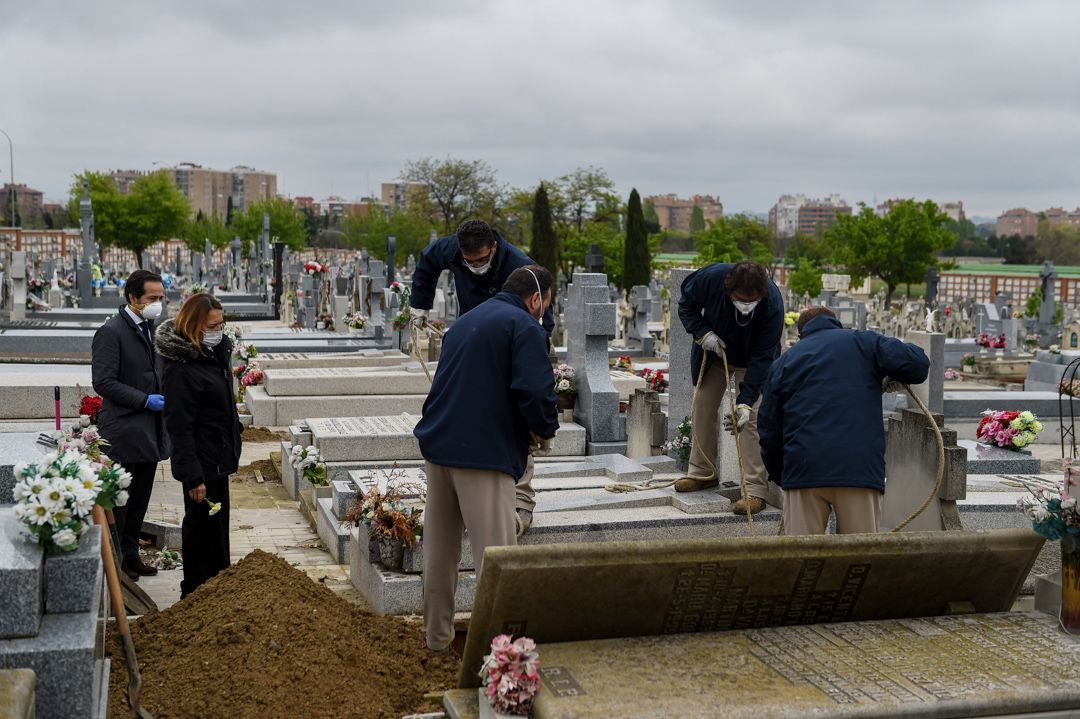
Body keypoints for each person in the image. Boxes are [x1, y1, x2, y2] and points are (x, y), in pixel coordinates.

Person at [414, 265, 559, 653]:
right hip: (483, 454)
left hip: (440, 447)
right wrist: (545, 429)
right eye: (546, 304)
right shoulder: (526, 326)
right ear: (535, 299)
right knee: (497, 559)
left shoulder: (465, 322)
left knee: (440, 552)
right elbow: (535, 391)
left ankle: (437, 642)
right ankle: (505, 657)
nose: (545, 312)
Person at [409, 219, 554, 534]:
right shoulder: (451, 249)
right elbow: (427, 262)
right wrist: (419, 304)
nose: (475, 266)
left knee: (515, 418)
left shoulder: (520, 267)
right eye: (469, 261)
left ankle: (520, 502)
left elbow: (542, 312)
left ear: (495, 249)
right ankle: (467, 497)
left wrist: (536, 351)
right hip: (468, 336)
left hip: (509, 345)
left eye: (482, 260)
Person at [757, 307, 930, 535]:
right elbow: (919, 364)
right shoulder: (865, 342)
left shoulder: (785, 361)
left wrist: (783, 476)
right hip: (858, 469)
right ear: (836, 323)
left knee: (803, 562)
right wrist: (891, 374)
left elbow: (769, 428)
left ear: (800, 335)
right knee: (860, 559)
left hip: (803, 468)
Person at [675, 260, 784, 515]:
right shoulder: (709, 279)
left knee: (750, 419)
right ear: (728, 290)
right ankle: (703, 473)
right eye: (740, 300)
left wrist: (745, 401)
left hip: (752, 361)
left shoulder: (772, 303)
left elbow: (763, 355)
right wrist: (703, 334)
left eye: (752, 301)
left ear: (761, 295)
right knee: (703, 406)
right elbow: (686, 305)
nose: (746, 307)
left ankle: (755, 491)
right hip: (716, 350)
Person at [154, 293, 243, 598]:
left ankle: (217, 588)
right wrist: (193, 475)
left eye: (221, 323)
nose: (220, 329)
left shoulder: (212, 354)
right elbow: (179, 427)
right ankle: (194, 592)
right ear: (194, 325)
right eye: (213, 324)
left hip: (217, 455)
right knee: (201, 531)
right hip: (202, 463)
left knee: (217, 532)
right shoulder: (182, 367)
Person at [91, 269, 171, 581]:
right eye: (152, 298)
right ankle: (118, 558)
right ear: (133, 298)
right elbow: (104, 382)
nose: (158, 304)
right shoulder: (112, 332)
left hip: (150, 431)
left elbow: (157, 371)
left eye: (161, 298)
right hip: (124, 430)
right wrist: (144, 400)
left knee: (139, 498)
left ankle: (131, 553)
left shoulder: (153, 329)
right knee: (121, 501)